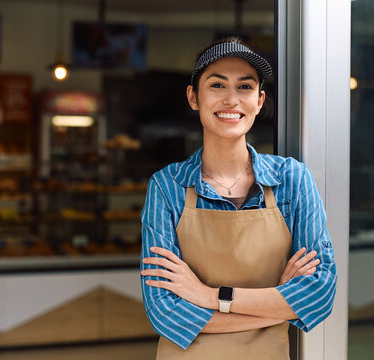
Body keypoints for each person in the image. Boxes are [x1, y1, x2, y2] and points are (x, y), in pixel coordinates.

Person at [140, 37, 337, 359]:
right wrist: (280, 303)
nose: (231, 99)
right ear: (194, 96)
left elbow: (319, 296)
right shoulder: (167, 185)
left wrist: (209, 296)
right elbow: (165, 313)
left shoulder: (292, 179)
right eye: (217, 85)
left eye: (244, 87)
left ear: (259, 101)